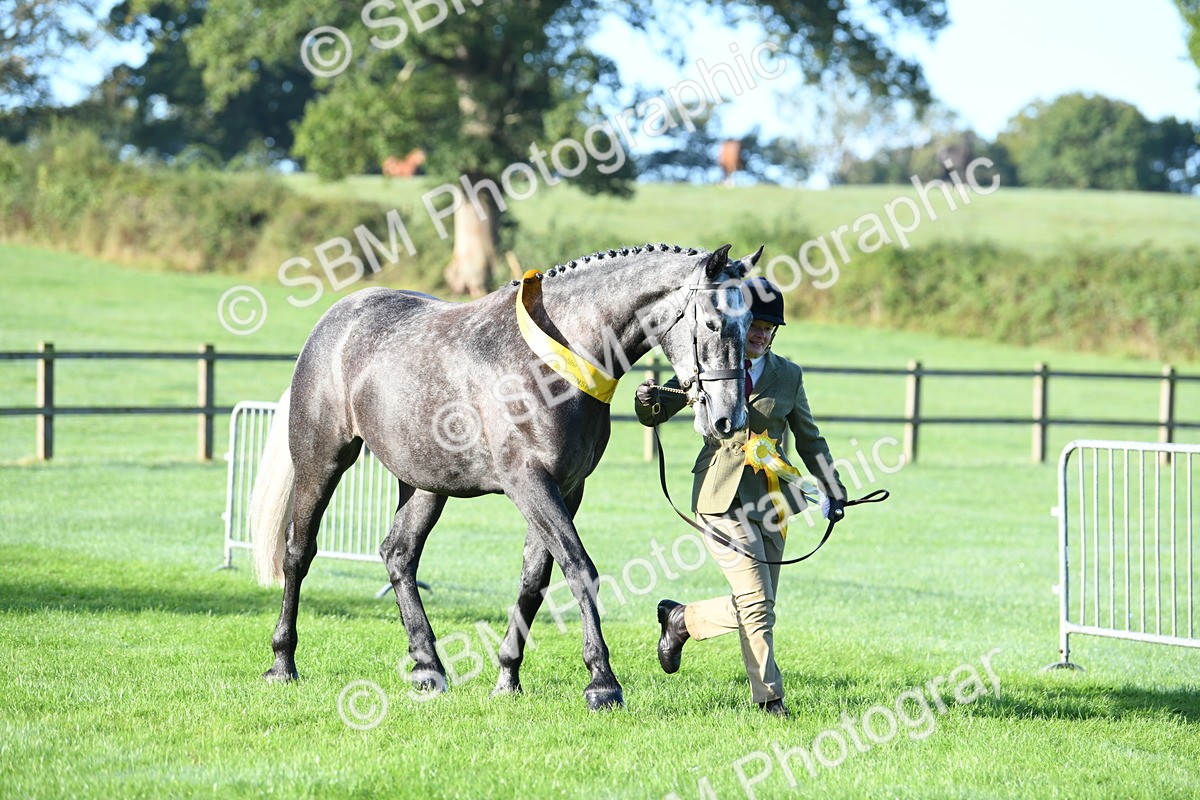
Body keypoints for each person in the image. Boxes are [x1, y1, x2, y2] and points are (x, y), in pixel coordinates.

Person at [634, 277, 847, 717]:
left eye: (770, 328)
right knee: (756, 604)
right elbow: (656, 412)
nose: (761, 334)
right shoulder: (706, 364)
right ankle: (770, 701)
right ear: (739, 323)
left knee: (758, 605)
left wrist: (833, 486)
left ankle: (681, 621)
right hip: (720, 497)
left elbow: (810, 439)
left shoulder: (789, 375)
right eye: (755, 325)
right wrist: (646, 400)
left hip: (773, 503)